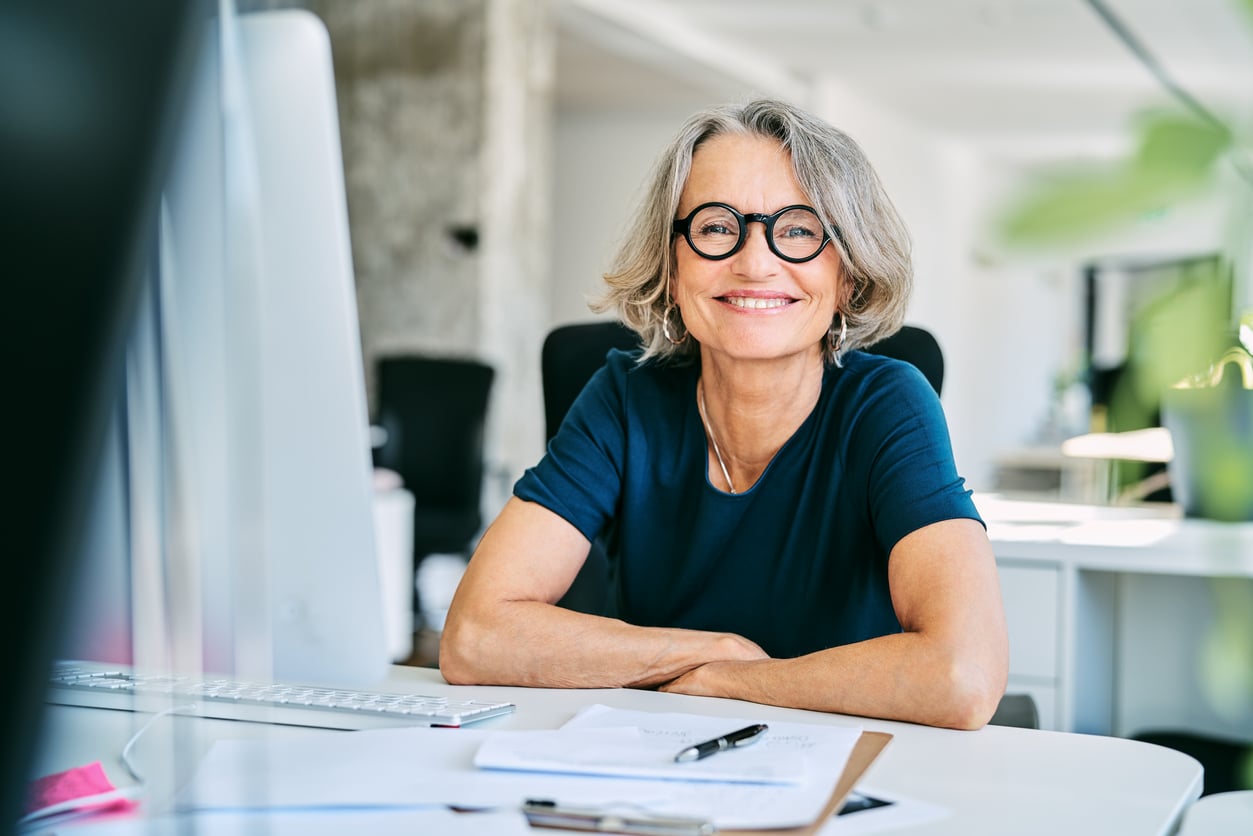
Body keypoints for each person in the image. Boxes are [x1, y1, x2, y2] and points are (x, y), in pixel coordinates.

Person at [440, 98, 1008, 730]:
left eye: (797, 229)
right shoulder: (625, 396)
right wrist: (709, 650)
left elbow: (963, 675)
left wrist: (737, 683)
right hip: (657, 755)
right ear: (672, 266)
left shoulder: (888, 403)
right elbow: (474, 635)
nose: (755, 262)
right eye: (715, 227)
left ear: (847, 274)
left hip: (845, 765)